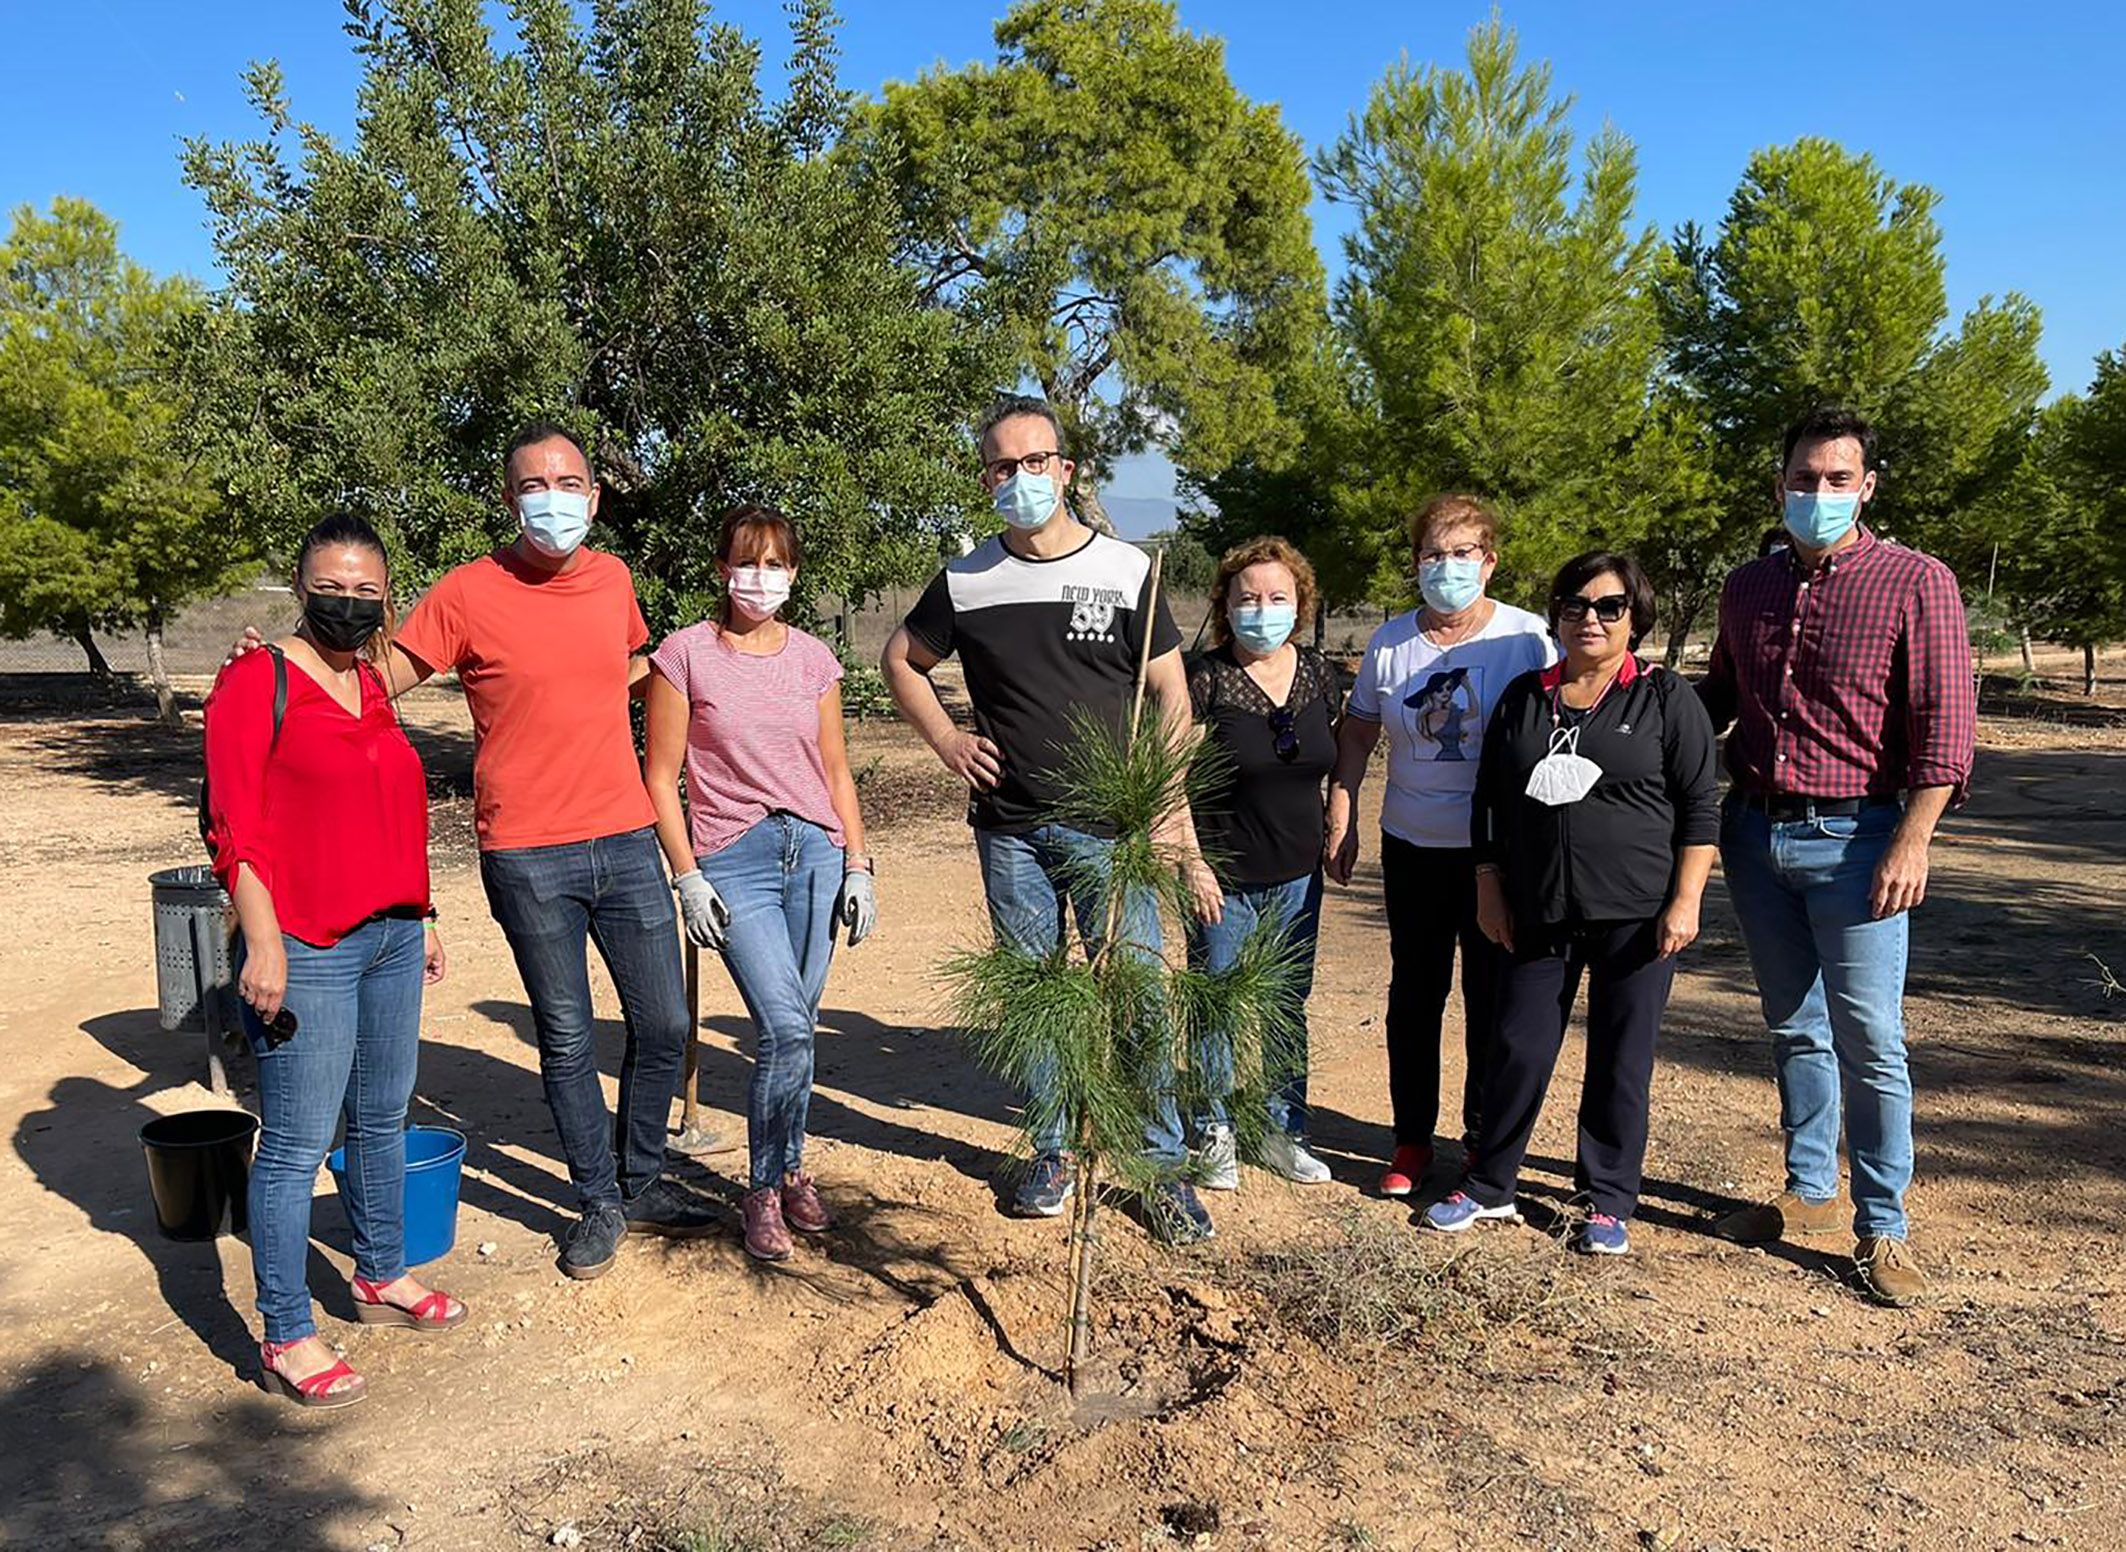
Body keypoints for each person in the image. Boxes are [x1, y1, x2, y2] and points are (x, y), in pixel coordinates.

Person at [231, 421, 715, 1279]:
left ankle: (642, 1179)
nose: (553, 500)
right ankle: (600, 1200)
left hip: (628, 835)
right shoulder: (467, 591)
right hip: (528, 853)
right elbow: (369, 676)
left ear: (596, 498)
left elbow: (633, 671)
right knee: (566, 1037)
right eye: (535, 485)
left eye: (570, 484)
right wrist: (274, 661)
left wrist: (714, 667)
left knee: (666, 1021)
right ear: (509, 497)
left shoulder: (613, 579)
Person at [880, 394, 1213, 1244]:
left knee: (1135, 997)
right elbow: (901, 660)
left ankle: (1161, 1164)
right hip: (1010, 829)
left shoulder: (1128, 571)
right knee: (1036, 998)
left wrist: (1161, 797)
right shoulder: (967, 578)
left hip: (1112, 828)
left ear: (1066, 471)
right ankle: (1054, 1150)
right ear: (984, 477)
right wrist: (949, 739)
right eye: (1002, 465)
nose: (1019, 478)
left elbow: (1172, 692)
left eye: (1035, 463)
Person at [1699, 406, 1976, 1307]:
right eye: (1803, 478)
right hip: (1756, 832)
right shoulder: (1747, 587)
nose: (1818, 493)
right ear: (1779, 484)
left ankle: (1882, 1225)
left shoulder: (1915, 581)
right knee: (1794, 1026)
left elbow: (1945, 724)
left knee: (1871, 1038)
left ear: (1866, 486)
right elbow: (1721, 698)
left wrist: (1913, 838)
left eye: (1836, 479)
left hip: (1861, 842)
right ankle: (1811, 1191)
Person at [204, 514, 462, 1408]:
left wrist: (422, 911)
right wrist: (262, 937)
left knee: (382, 1117)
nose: (347, 603)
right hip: (305, 943)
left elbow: (395, 810)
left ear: (385, 596)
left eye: (365, 590)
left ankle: (379, 1271)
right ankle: (285, 1330)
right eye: (331, 586)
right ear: (300, 584)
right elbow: (230, 826)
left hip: (390, 933)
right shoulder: (255, 679)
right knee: (296, 1146)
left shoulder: (376, 687)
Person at [1423, 552, 1718, 1256]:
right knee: (1517, 1047)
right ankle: (1490, 1181)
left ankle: (1607, 1200)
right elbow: (1488, 804)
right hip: (1536, 908)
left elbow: (1700, 806)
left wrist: (1686, 900)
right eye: (1575, 604)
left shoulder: (1665, 697)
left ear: (1635, 618)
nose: (1590, 618)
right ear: (1556, 614)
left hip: (1637, 915)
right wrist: (1489, 886)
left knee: (1621, 1059)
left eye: (1609, 606)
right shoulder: (1527, 696)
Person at [644, 506, 876, 1262]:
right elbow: (660, 774)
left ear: (795, 574)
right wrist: (687, 877)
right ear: (721, 570)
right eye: (748, 562)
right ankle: (763, 1188)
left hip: (813, 851)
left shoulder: (814, 660)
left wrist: (858, 861)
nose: (762, 578)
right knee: (780, 1025)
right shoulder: (684, 656)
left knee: (799, 1029)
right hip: (734, 856)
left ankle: (794, 1164)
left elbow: (835, 768)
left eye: (777, 564)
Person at [1326, 494, 1556, 1197]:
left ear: (1489, 562)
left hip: (1497, 850)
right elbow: (1360, 730)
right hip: (1414, 844)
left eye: (1462, 554)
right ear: (1416, 563)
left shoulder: (1526, 639)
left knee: (1493, 999)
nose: (1446, 567)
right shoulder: (1391, 643)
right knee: (1416, 994)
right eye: (1433, 554)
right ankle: (1411, 1140)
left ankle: (1485, 1145)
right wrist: (1345, 810)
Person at [1183, 536, 1339, 1189]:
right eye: (1249, 598)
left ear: (1299, 603)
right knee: (1216, 1001)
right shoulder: (1205, 677)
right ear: (1226, 604)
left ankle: (1280, 1129)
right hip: (1223, 874)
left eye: (1278, 597)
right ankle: (1214, 1129)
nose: (1263, 609)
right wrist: (1191, 863)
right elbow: (1169, 778)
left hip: (1297, 875)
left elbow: (1339, 759)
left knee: (1284, 1004)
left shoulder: (1319, 674)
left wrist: (1342, 819)